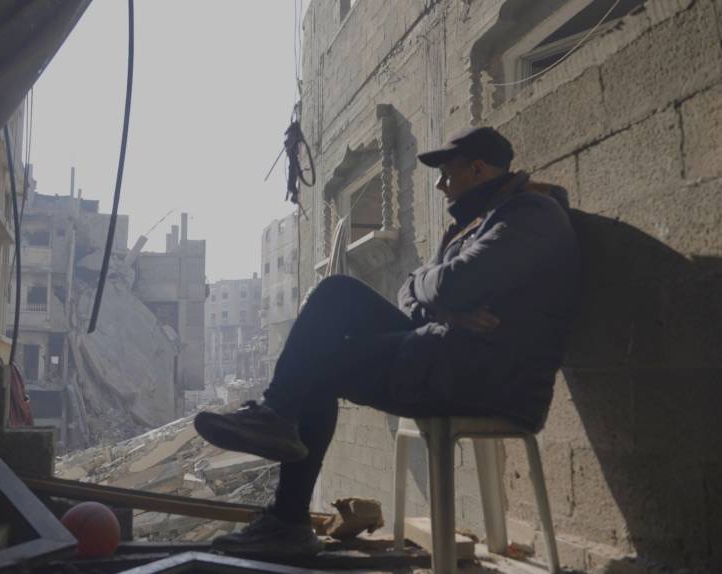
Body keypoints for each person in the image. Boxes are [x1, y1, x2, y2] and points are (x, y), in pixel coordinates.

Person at [194, 127, 581, 556]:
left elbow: (452, 283)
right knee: (336, 293)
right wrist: (445, 306)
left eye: (447, 174)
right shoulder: (476, 225)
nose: (439, 184)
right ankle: (278, 419)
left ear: (477, 169)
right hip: (450, 355)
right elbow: (411, 289)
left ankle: (285, 507)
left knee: (317, 367)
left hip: (488, 379)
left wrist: (439, 295)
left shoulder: (530, 216)